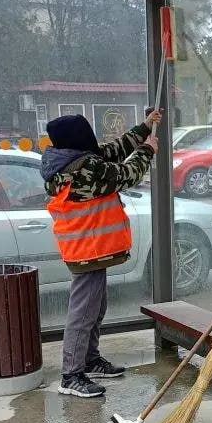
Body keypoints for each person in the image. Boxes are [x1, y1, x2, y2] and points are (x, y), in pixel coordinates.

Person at [41, 111, 161, 398]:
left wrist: (145, 127)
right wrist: (149, 150)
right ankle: (71, 375)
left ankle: (90, 360)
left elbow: (115, 150)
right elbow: (125, 175)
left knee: (95, 308)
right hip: (87, 250)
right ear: (80, 136)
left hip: (91, 248)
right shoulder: (84, 169)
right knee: (83, 314)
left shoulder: (71, 159)